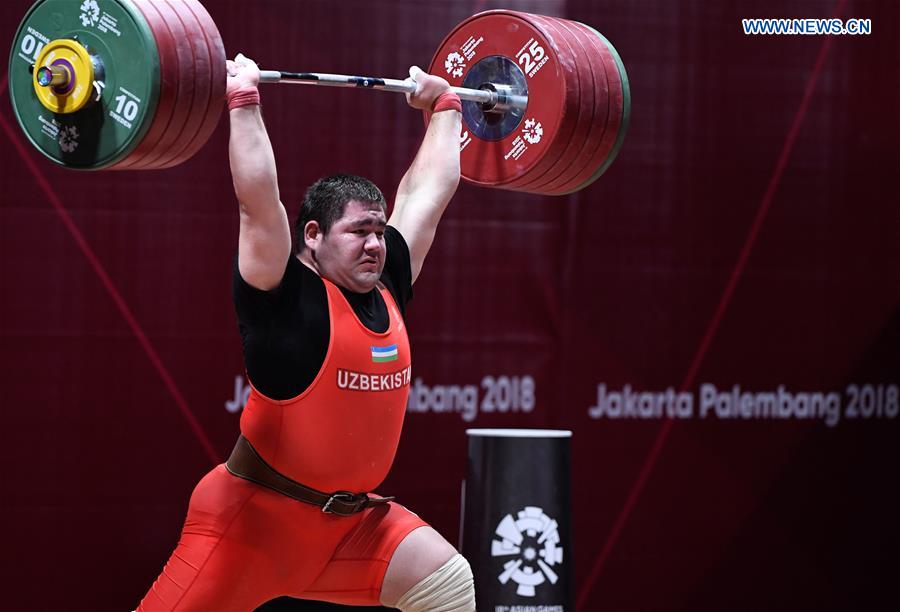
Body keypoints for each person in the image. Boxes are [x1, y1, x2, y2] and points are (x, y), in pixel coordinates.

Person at [137, 54, 474, 611]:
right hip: (249, 528)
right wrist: (243, 100)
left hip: (351, 530)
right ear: (313, 235)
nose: (375, 244)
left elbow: (428, 194)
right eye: (359, 231)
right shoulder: (281, 294)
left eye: (378, 231)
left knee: (446, 585)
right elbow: (256, 204)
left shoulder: (387, 282)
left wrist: (445, 106)